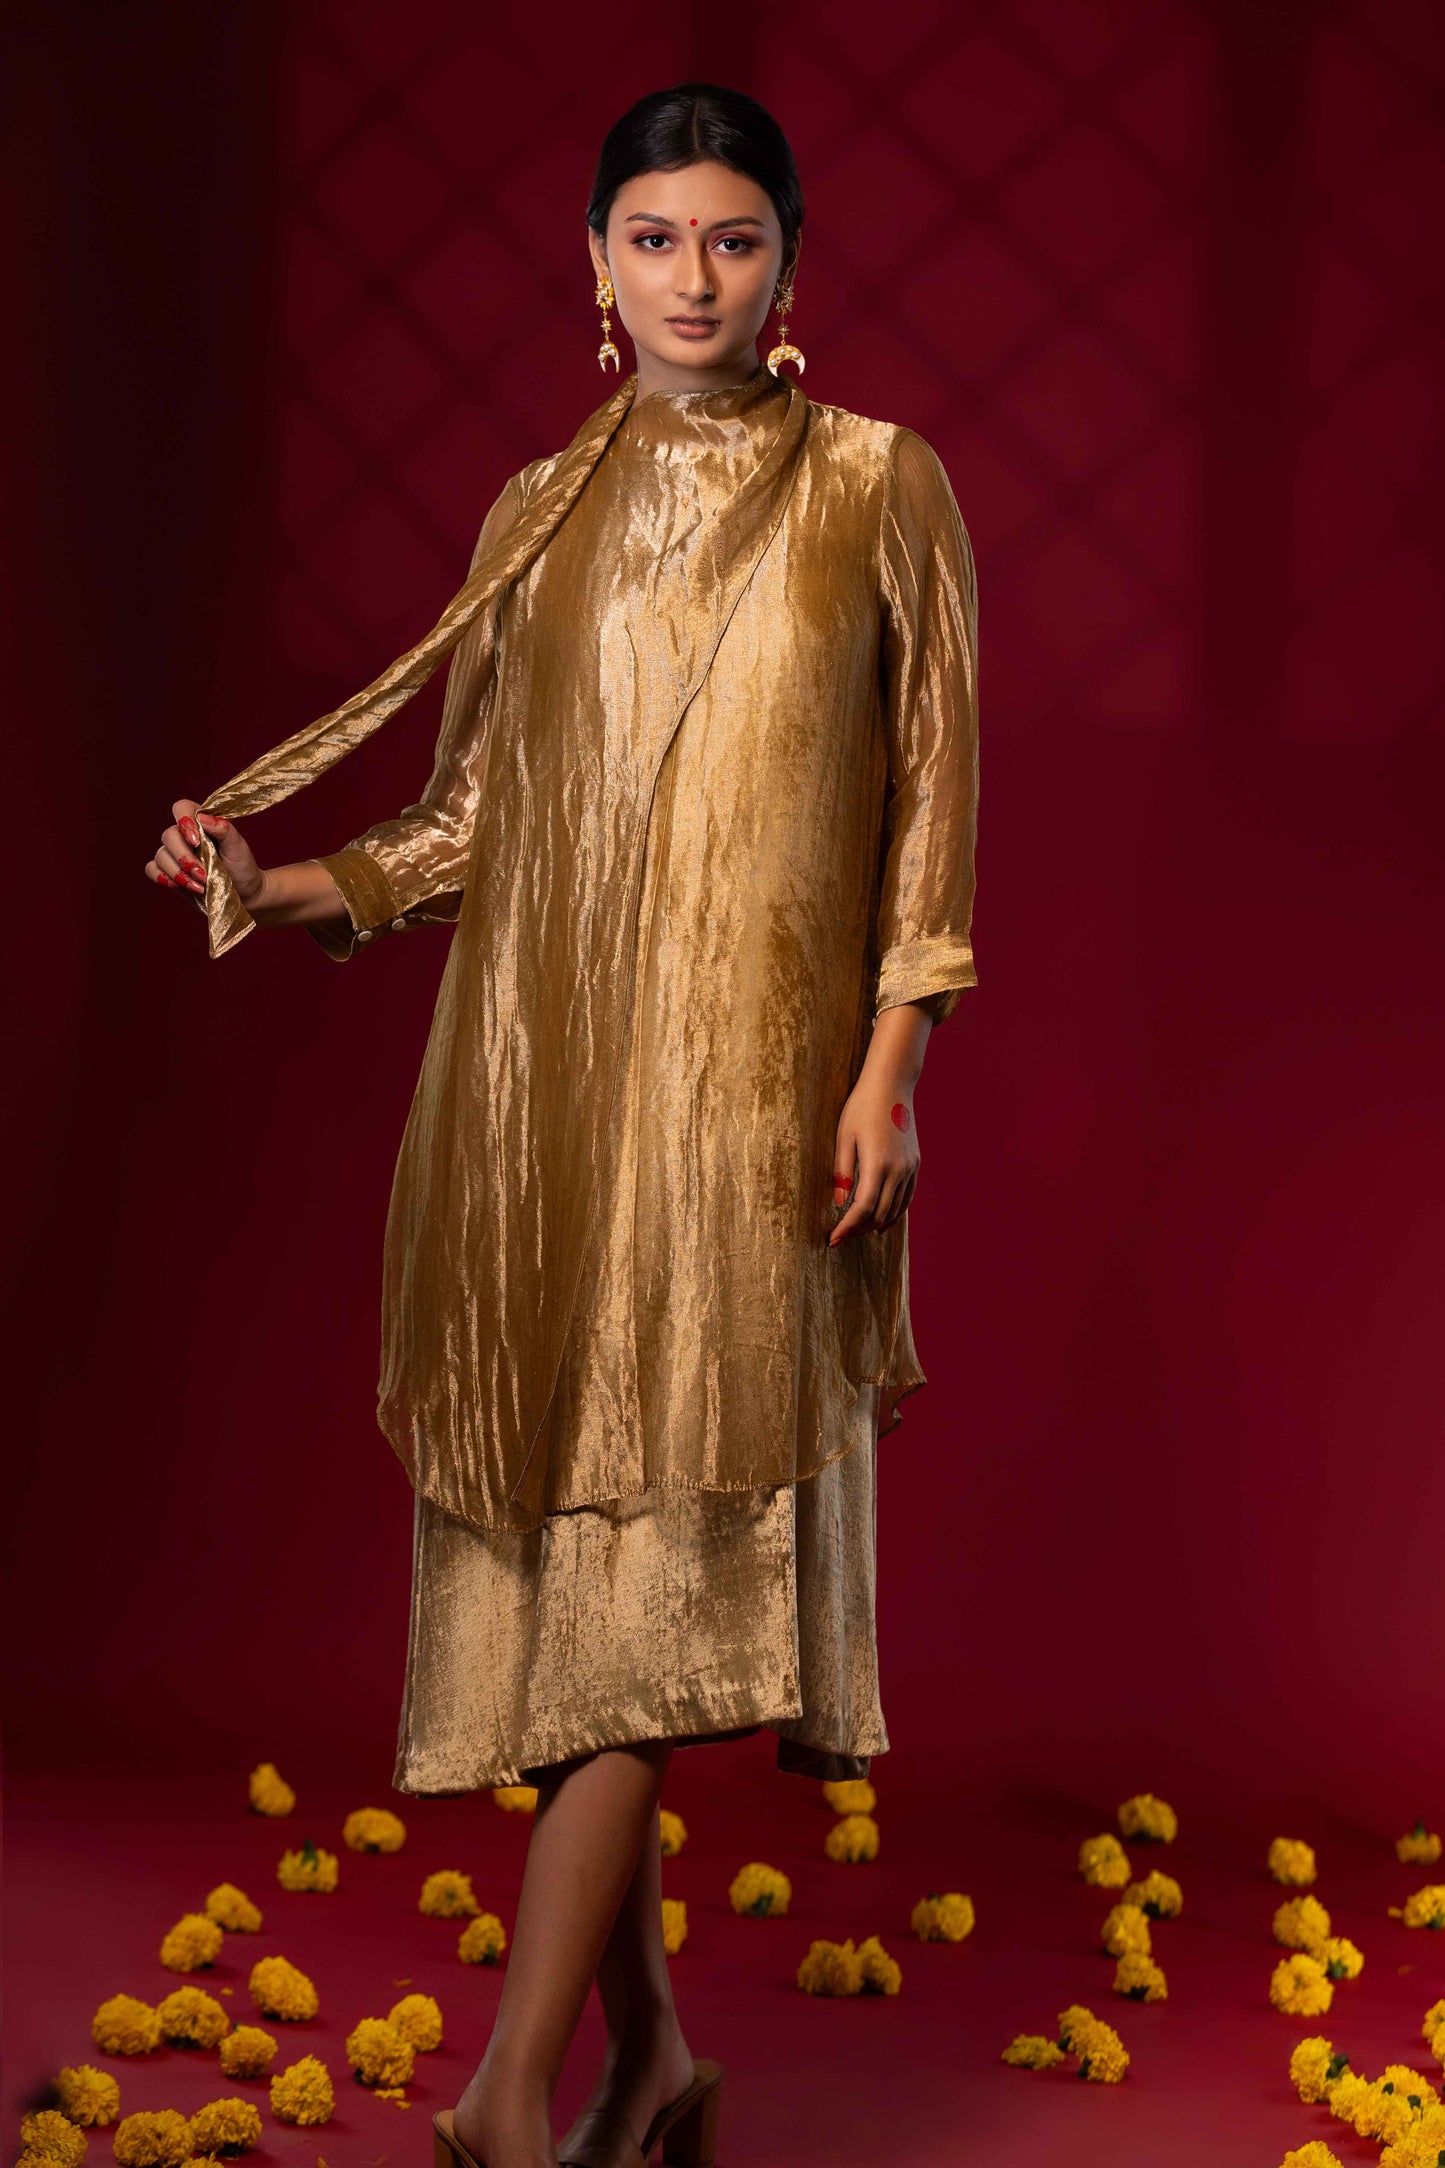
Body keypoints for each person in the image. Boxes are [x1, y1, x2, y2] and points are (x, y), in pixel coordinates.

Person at [146, 80, 979, 2168]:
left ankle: (509, 2096)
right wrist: (278, 883)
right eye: (654, 238)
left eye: (733, 239)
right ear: (595, 262)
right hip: (540, 1113)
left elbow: (932, 821)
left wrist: (888, 1070)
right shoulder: (539, 507)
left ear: (788, 260)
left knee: (657, 1596)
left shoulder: (879, 486)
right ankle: (656, 2063)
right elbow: (465, 822)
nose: (695, 278)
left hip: (755, 1120)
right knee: (579, 1600)